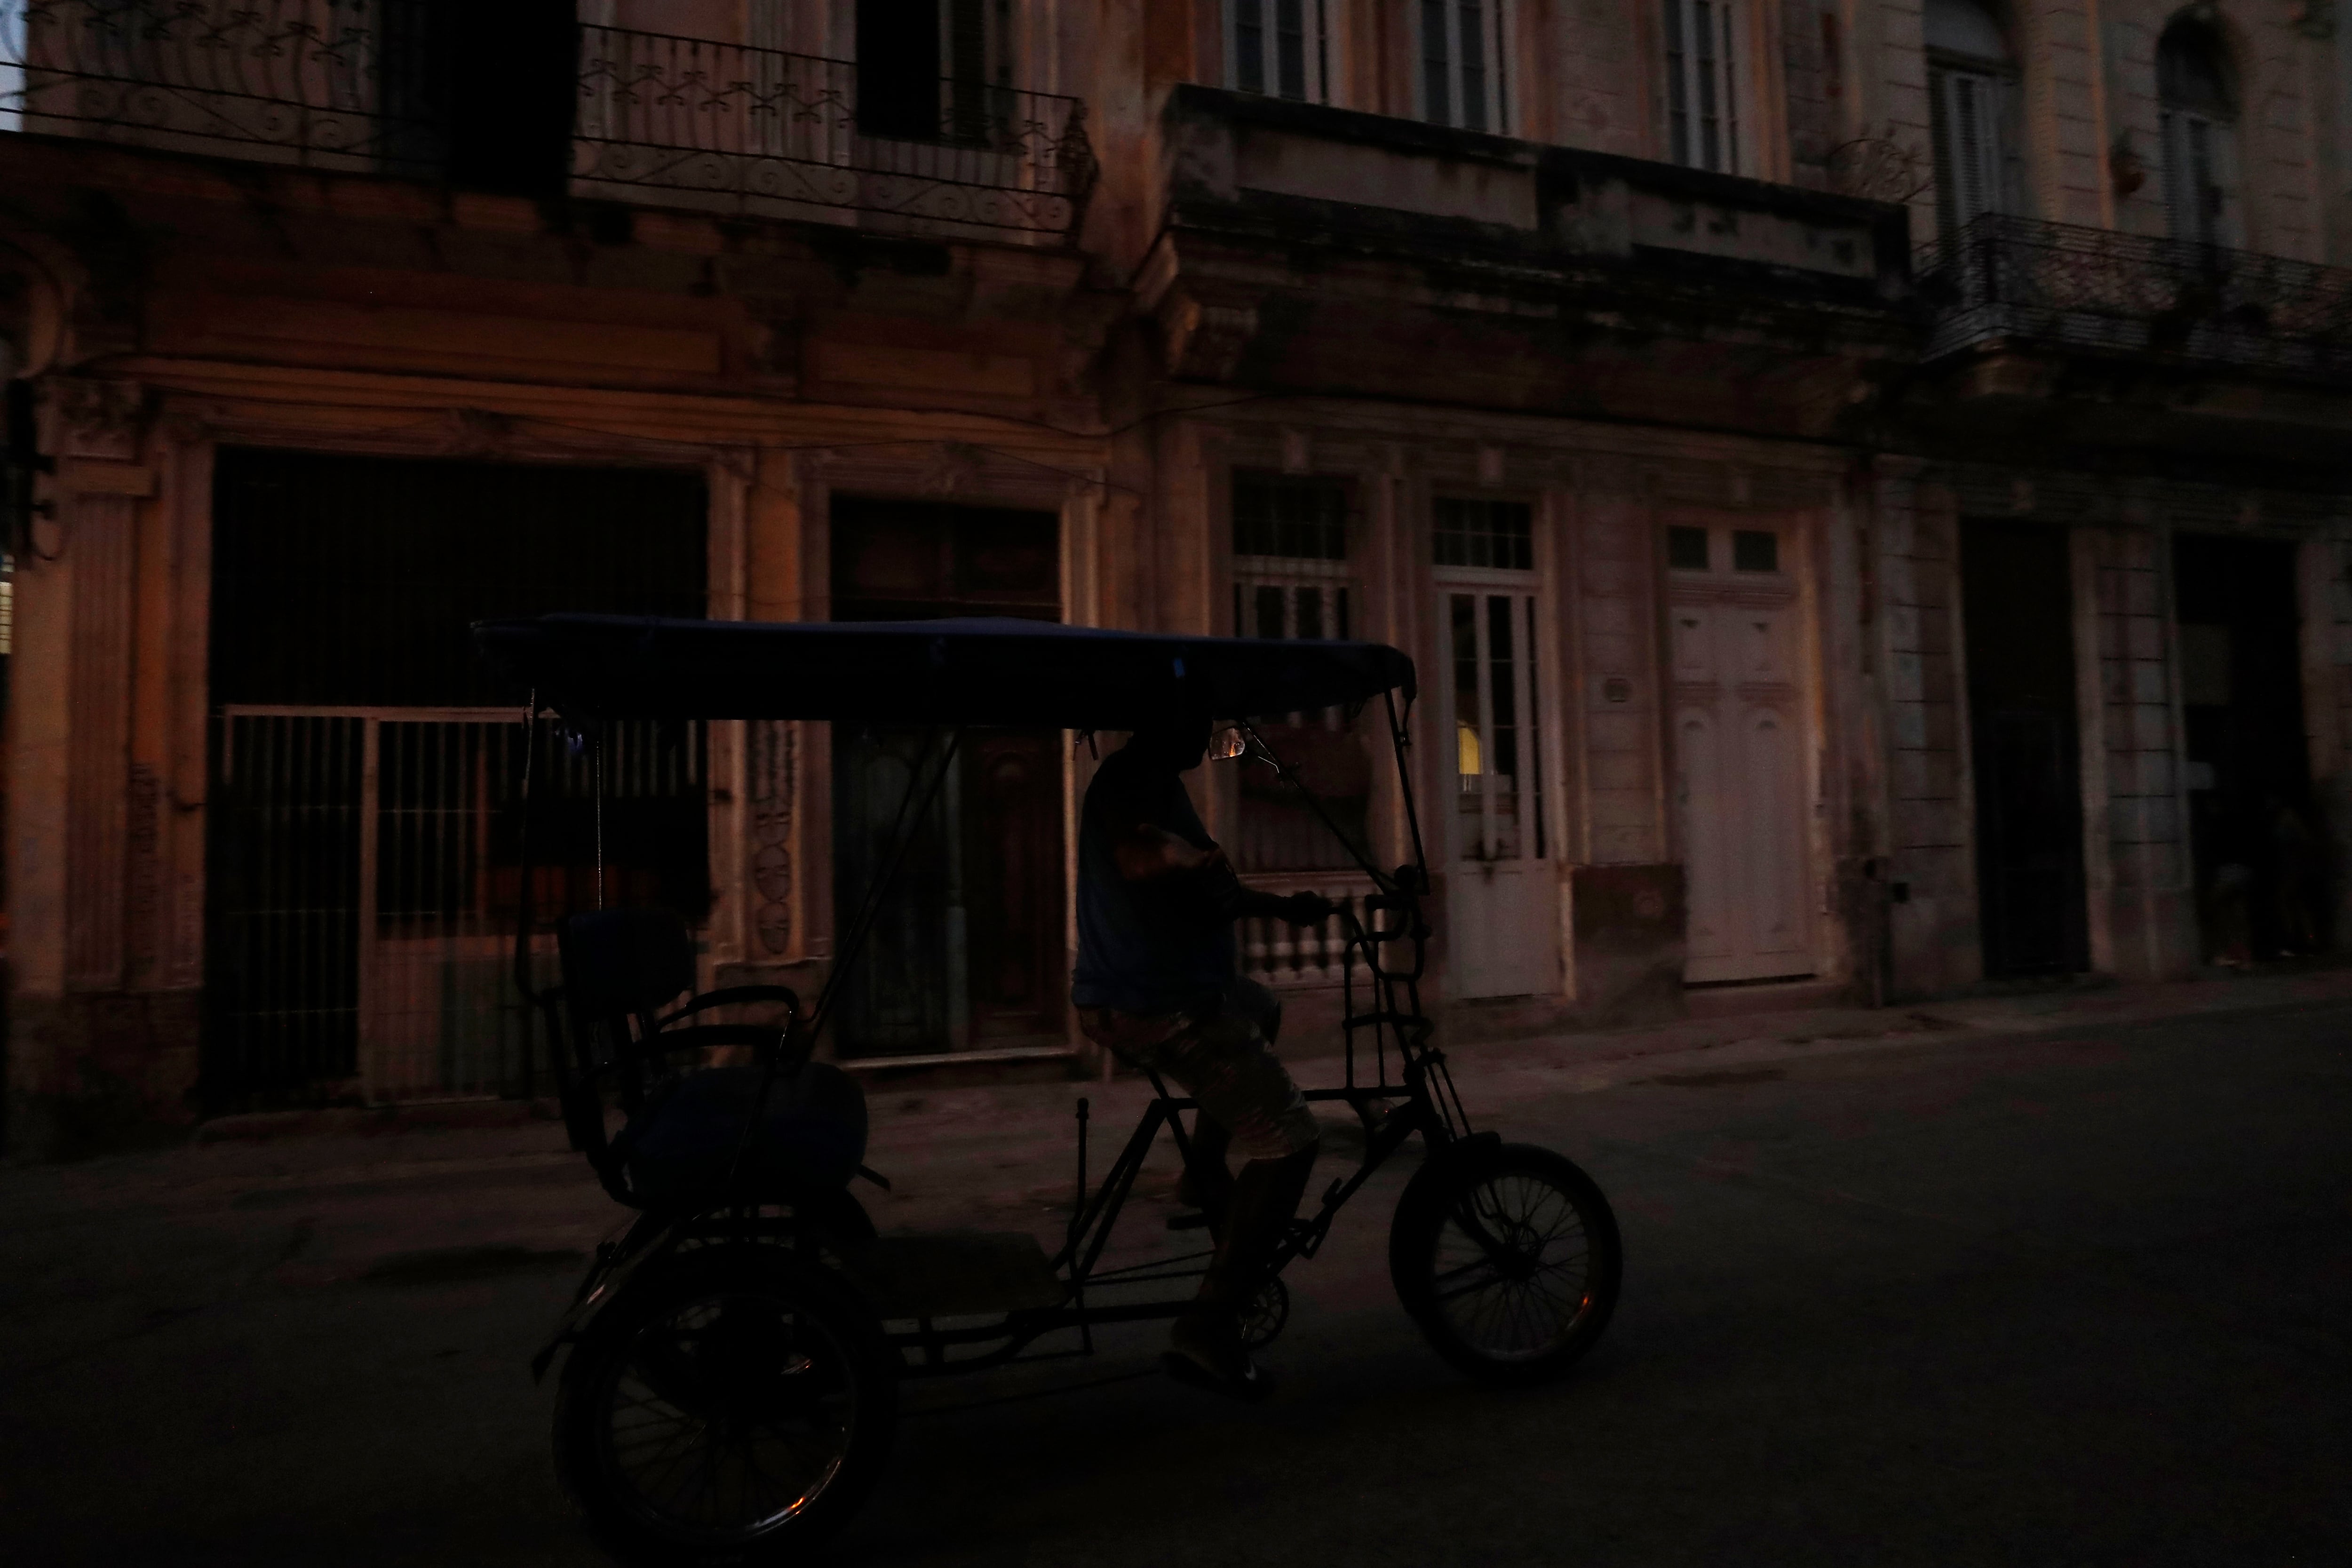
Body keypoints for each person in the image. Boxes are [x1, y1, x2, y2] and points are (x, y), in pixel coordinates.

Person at [1072, 708, 1331, 1400]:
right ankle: (1208, 1325)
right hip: (1157, 1001)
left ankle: (1205, 1167)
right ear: (1166, 723)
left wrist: (1282, 909)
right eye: (1198, 726)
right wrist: (1189, 855)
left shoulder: (1160, 779)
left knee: (1262, 1007)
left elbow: (1204, 887)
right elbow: (1142, 856)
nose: (1206, 741)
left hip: (1179, 985)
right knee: (1292, 1139)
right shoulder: (1132, 782)